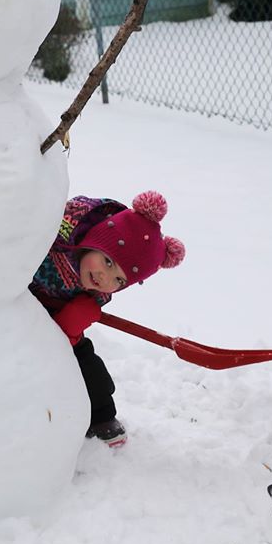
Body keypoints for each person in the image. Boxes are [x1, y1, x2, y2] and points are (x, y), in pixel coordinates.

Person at [29, 190, 185, 448]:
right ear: (95, 241)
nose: (105, 279)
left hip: (53, 320)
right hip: (11, 304)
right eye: (109, 262)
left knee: (85, 362)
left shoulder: (95, 291)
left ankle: (101, 416)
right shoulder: (51, 235)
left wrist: (72, 324)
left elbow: (69, 332)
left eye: (119, 280)